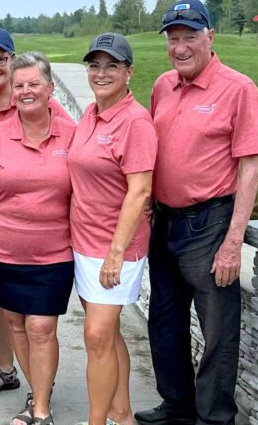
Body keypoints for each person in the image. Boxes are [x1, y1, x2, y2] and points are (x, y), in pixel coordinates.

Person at [134, 0, 258, 425]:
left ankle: (213, 417)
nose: (181, 46)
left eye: (190, 36)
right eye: (174, 38)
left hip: (210, 223)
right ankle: (178, 406)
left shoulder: (238, 87)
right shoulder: (163, 86)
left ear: (210, 36)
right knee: (164, 322)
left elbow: (249, 167)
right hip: (165, 221)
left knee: (217, 333)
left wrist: (233, 242)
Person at [0, 51, 77, 425]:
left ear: (50, 89)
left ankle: (42, 410)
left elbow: (95, 184)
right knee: (16, 324)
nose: (26, 91)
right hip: (4, 251)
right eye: (19, 86)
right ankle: (37, 394)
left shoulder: (72, 135)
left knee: (41, 327)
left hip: (54, 253)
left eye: (34, 84)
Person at [68, 33, 157, 425]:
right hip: (83, 241)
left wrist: (115, 254)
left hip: (115, 247)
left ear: (129, 72)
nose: (101, 73)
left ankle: (97, 421)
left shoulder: (135, 121)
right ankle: (122, 415)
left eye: (111, 65)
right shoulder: (90, 114)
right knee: (109, 334)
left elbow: (139, 191)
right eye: (94, 65)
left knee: (96, 337)